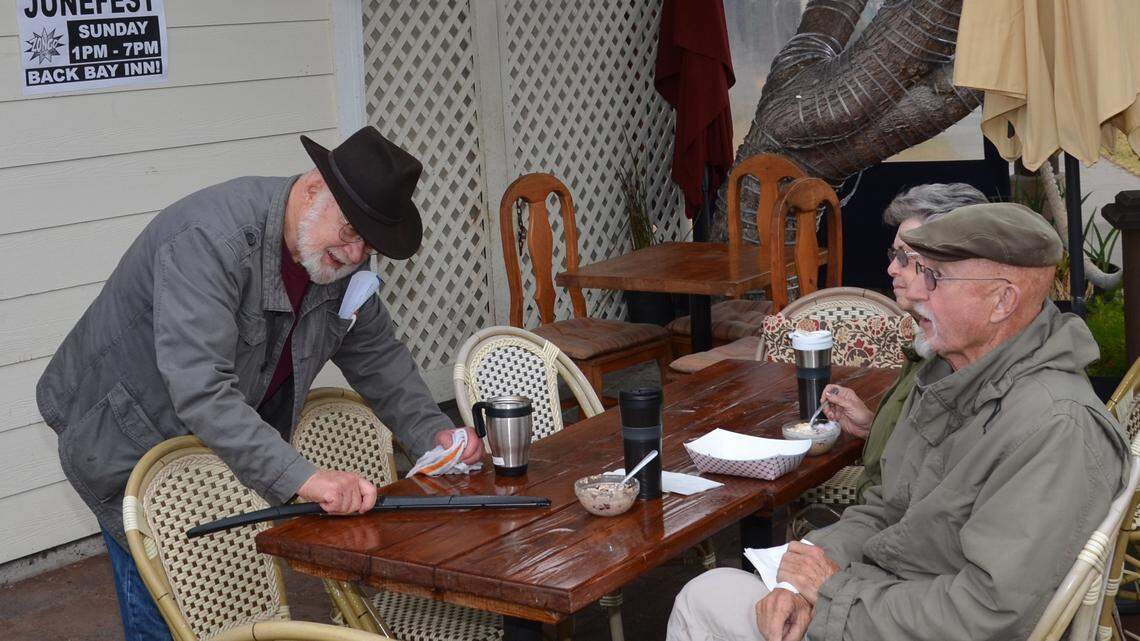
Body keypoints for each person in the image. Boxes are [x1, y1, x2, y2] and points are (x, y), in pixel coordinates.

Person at [36, 126, 483, 641]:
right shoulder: (208, 240)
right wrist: (306, 477)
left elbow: (380, 357)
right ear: (314, 188)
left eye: (370, 243)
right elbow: (202, 388)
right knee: (166, 614)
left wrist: (434, 434)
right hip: (127, 437)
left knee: (224, 603)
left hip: (214, 445)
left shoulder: (329, 257)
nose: (357, 253)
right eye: (351, 230)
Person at [667, 202, 1130, 641]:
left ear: (1001, 301)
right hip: (884, 601)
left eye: (935, 277)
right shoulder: (951, 377)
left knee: (704, 600)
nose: (915, 293)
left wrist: (832, 597)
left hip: (915, 624)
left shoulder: (1055, 427)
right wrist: (801, 579)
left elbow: (990, 614)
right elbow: (886, 507)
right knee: (715, 592)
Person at [823, 183, 987, 501]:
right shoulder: (930, 341)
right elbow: (918, 453)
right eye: (893, 254)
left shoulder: (958, 357)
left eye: (903, 257)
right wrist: (873, 427)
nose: (890, 268)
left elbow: (929, 498)